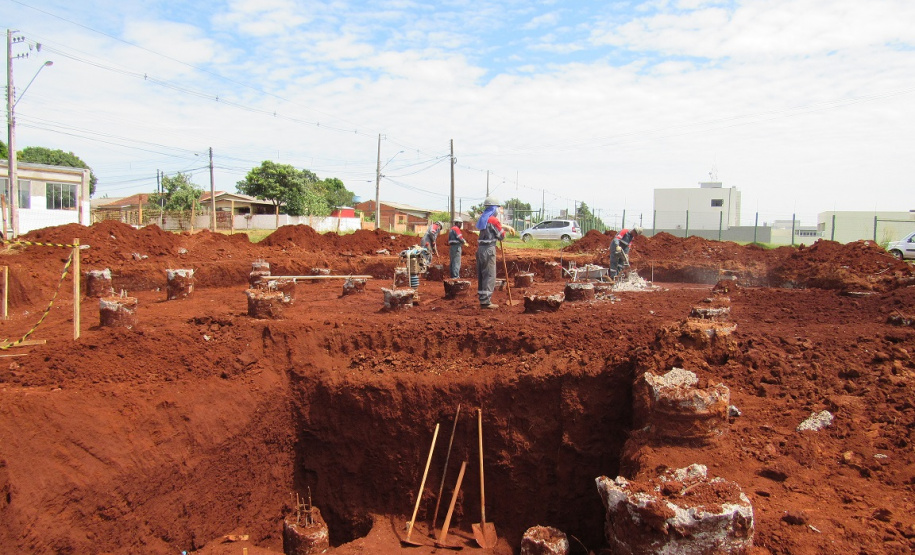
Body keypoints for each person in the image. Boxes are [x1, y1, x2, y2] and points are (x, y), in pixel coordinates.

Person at [476, 197, 505, 309]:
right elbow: (501, 236)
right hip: (489, 249)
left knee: (482, 275)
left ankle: (482, 298)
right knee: (489, 275)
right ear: (494, 208)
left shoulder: (482, 219)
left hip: (480, 249)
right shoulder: (493, 220)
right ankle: (486, 301)